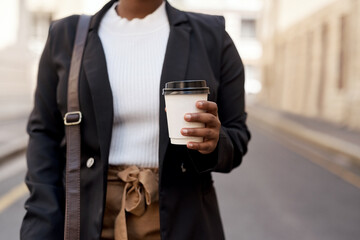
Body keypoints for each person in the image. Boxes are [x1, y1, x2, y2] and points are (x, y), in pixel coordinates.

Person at [20, 0, 251, 239]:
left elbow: (237, 135)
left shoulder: (211, 36)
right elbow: (44, 135)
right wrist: (40, 225)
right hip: (88, 221)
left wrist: (214, 143)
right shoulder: (66, 37)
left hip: (182, 220)